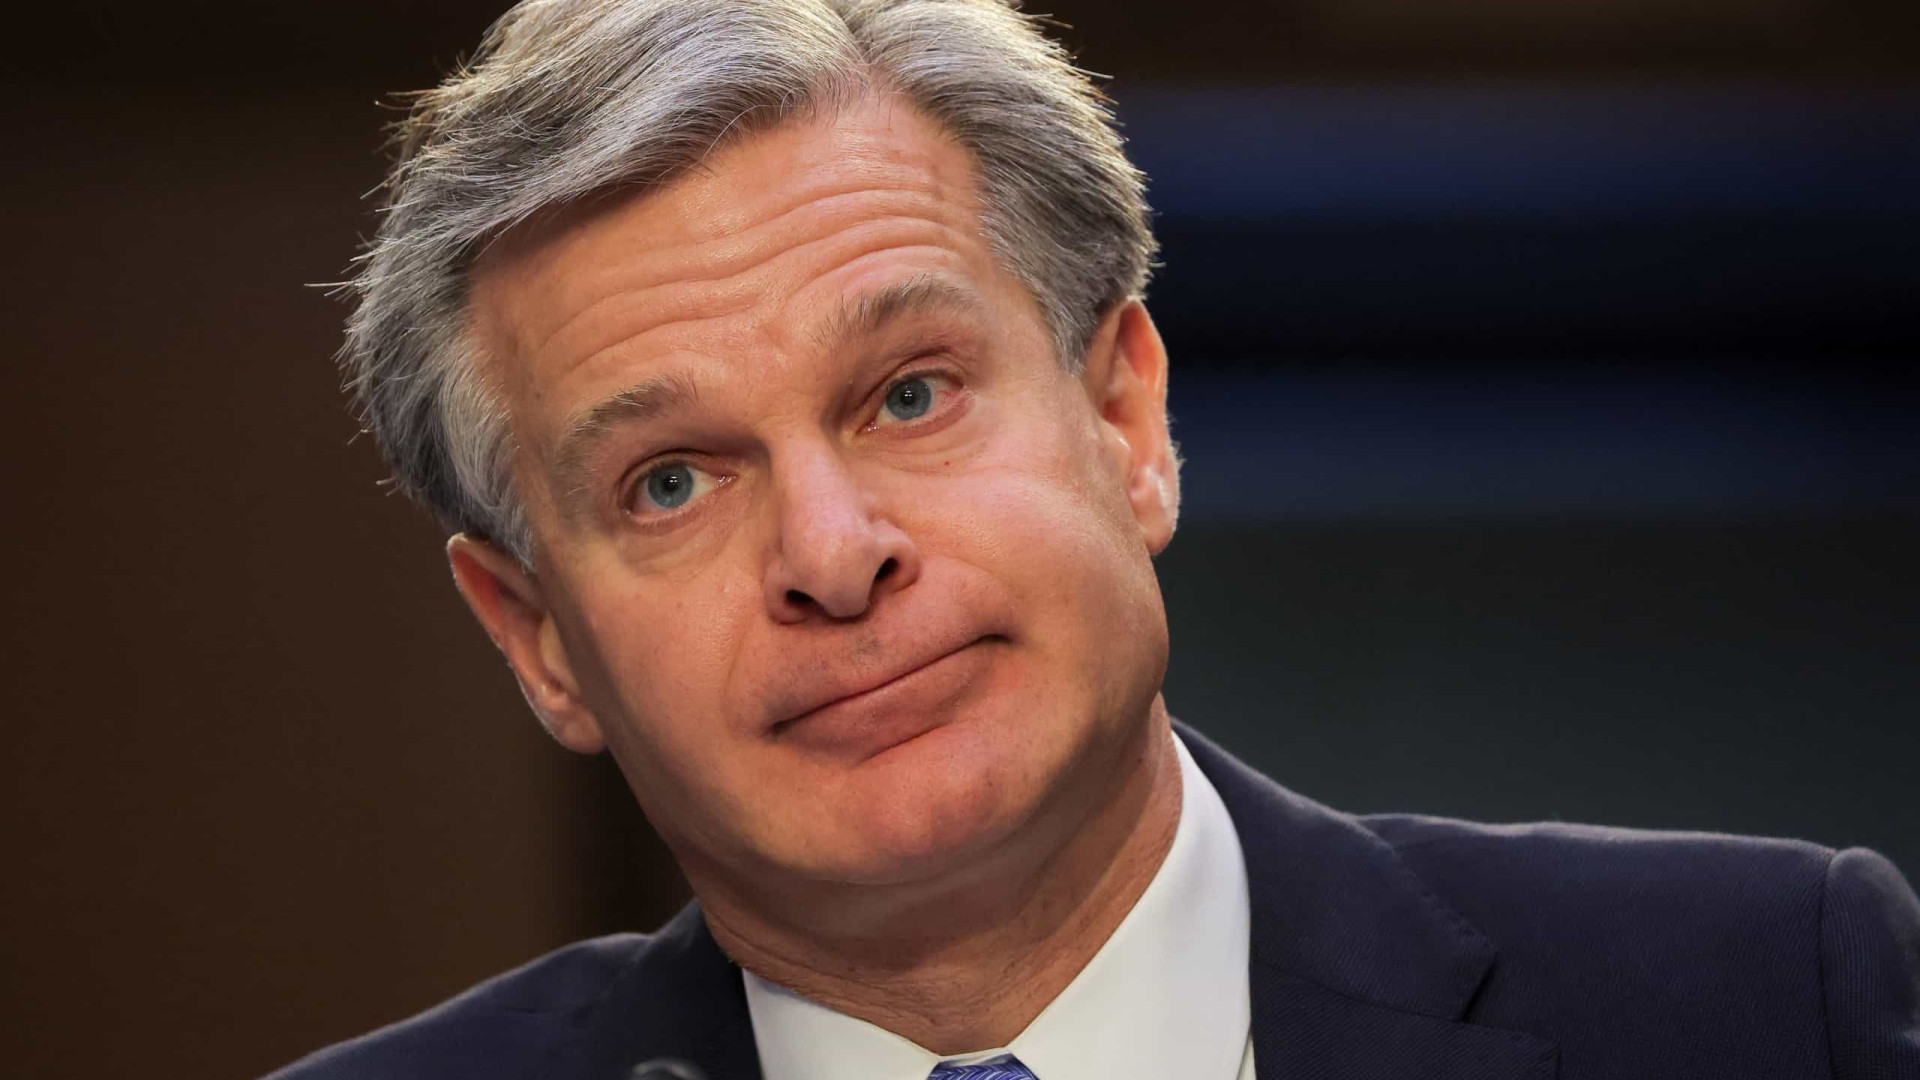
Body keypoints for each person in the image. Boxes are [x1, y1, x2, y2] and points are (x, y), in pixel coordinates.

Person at [269, 2, 1920, 1078]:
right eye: (671, 484)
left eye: (909, 394)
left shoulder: (1772, 1001)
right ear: (538, 638)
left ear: (1125, 420)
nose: (832, 555)